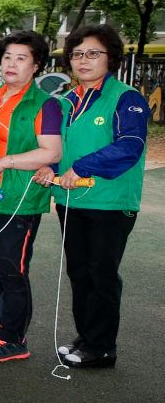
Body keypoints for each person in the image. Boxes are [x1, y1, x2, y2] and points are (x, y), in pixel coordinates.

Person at [34, 23, 147, 369]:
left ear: (110, 57)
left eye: (93, 53)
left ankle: (102, 348)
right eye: (77, 54)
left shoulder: (126, 98)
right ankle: (86, 339)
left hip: (110, 203)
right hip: (71, 201)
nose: (83, 60)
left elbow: (130, 146)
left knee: (101, 273)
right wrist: (49, 169)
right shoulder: (67, 101)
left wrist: (81, 168)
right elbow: (56, 148)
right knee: (79, 272)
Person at [0, 30, 63, 363]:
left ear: (36, 65)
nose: (12, 64)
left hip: (19, 196)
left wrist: (5, 162)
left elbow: (51, 151)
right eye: (7, 56)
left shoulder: (45, 104)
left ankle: (14, 337)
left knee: (12, 267)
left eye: (21, 58)